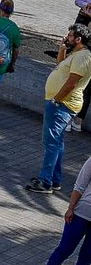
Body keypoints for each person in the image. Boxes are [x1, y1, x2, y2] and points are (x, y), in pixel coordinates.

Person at [29, 25, 91, 194]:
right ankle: (54, 180)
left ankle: (45, 182)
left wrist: (56, 100)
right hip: (60, 103)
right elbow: (59, 65)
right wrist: (62, 49)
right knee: (56, 142)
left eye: (70, 36)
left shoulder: (83, 57)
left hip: (62, 104)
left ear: (78, 39)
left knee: (51, 143)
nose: (67, 38)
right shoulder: (76, 54)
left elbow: (71, 83)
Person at [47, 153, 91, 264]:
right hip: (81, 214)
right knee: (64, 250)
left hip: (81, 213)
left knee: (86, 257)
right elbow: (80, 185)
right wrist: (71, 208)